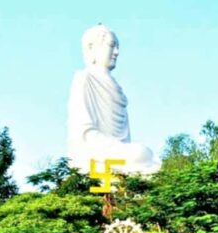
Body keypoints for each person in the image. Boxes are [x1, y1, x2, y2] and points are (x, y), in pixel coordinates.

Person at [67, 24, 159, 174]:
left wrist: (122, 149)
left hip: (118, 151)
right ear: (91, 47)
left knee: (145, 154)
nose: (116, 52)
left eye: (118, 47)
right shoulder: (84, 78)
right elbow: (83, 133)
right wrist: (113, 148)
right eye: (112, 46)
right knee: (140, 154)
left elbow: (125, 139)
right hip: (95, 151)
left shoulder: (117, 88)